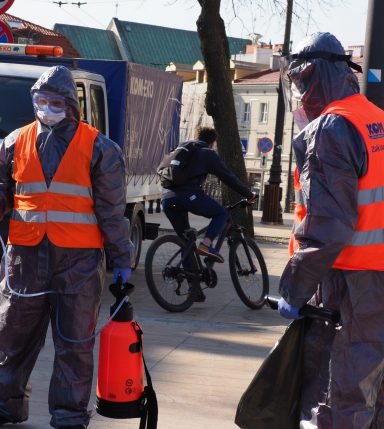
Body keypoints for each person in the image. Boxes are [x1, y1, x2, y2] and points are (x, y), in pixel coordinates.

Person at [0, 65, 133, 429]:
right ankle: (6, 406)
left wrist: (122, 259)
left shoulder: (99, 148)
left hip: (79, 262)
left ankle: (70, 417)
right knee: (12, 336)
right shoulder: (16, 141)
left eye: (55, 101)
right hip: (25, 258)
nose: (47, 107)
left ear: (71, 105)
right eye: (41, 101)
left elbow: (112, 211)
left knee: (74, 343)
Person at [276, 32, 384, 428]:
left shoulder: (331, 129)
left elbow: (327, 226)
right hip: (374, 284)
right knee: (374, 393)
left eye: (302, 82)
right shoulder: (376, 120)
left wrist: (294, 288)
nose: (301, 93)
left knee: (343, 397)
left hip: (354, 284)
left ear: (318, 76)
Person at [159, 126, 255, 270]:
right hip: (188, 196)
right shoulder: (207, 153)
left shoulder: (182, 148)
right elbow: (228, 177)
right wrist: (248, 194)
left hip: (167, 198)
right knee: (221, 213)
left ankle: (193, 285)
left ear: (197, 137)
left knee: (186, 241)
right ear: (212, 142)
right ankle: (206, 244)